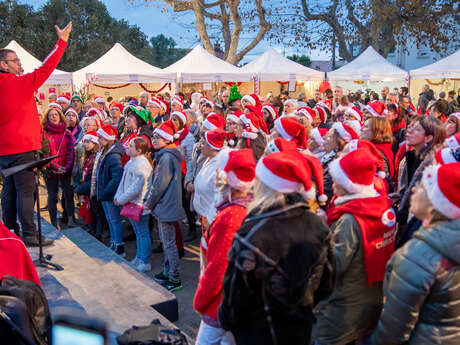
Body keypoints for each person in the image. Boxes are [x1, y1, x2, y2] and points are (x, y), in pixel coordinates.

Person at [219, 150, 334, 345]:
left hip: (258, 332)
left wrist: (227, 322)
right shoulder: (318, 225)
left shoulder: (251, 231)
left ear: (265, 186)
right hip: (300, 328)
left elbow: (234, 299)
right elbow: (327, 284)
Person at [370, 163, 460, 345]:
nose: (413, 191)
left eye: (421, 188)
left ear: (435, 204)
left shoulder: (418, 256)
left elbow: (392, 331)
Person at [314, 147, 397, 345]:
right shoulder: (381, 208)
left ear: (349, 184)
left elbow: (333, 266)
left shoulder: (350, 220)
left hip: (344, 307)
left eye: (337, 179)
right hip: (372, 297)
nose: (332, 182)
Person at [0, 21, 71, 246]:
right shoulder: (15, 84)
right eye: (15, 60)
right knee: (25, 192)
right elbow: (45, 69)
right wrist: (61, 42)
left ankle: (10, 231)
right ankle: (30, 235)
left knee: (9, 191)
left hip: (5, 151)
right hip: (22, 149)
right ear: (3, 64)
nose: (20, 64)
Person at [193, 148, 256, 345]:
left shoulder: (231, 216)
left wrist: (201, 300)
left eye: (220, 171)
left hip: (221, 303)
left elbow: (219, 268)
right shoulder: (238, 207)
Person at [145, 120, 185, 292]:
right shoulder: (165, 155)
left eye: (158, 137)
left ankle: (174, 277)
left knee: (169, 243)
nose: (154, 139)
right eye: (153, 136)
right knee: (167, 241)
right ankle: (167, 270)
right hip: (166, 205)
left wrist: (149, 203)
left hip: (166, 205)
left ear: (167, 139)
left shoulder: (166, 158)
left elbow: (159, 185)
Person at [396, 116, 446, 246]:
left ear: (428, 138)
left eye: (416, 129)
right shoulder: (412, 157)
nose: (409, 131)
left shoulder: (434, 165)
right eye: (411, 126)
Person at [114, 137, 153, 273]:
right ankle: (139, 256)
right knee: (138, 232)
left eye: (131, 146)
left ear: (139, 150)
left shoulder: (141, 165)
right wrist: (118, 196)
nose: (127, 148)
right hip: (131, 202)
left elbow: (136, 188)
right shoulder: (132, 162)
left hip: (139, 204)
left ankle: (144, 260)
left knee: (142, 233)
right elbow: (124, 183)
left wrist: (122, 199)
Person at [42, 107, 76, 229]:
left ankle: (71, 219)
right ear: (47, 117)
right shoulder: (44, 133)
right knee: (52, 196)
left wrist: (66, 167)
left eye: (56, 114)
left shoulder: (66, 132)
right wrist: (55, 167)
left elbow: (71, 151)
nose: (54, 116)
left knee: (68, 194)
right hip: (50, 170)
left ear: (60, 116)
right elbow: (44, 153)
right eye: (51, 115)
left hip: (65, 169)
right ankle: (53, 222)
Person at [94, 125, 125, 255]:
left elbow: (116, 178)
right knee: (109, 218)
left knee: (114, 220)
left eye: (100, 137)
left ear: (107, 139)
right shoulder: (105, 152)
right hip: (105, 192)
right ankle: (113, 241)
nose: (98, 140)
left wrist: (106, 191)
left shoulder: (113, 156)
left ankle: (119, 245)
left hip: (110, 194)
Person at [193, 128, 228, 227]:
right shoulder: (209, 159)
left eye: (203, 143)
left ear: (212, 146)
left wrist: (210, 218)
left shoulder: (220, 167)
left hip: (212, 220)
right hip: (205, 215)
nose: (200, 146)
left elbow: (220, 197)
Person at [74, 131, 105, 239]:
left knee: (97, 211)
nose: (85, 144)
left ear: (95, 143)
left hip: (94, 188)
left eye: (88, 142)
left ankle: (98, 232)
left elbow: (95, 173)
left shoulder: (97, 156)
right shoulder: (87, 155)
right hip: (88, 188)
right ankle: (93, 230)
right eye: (85, 142)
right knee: (90, 209)